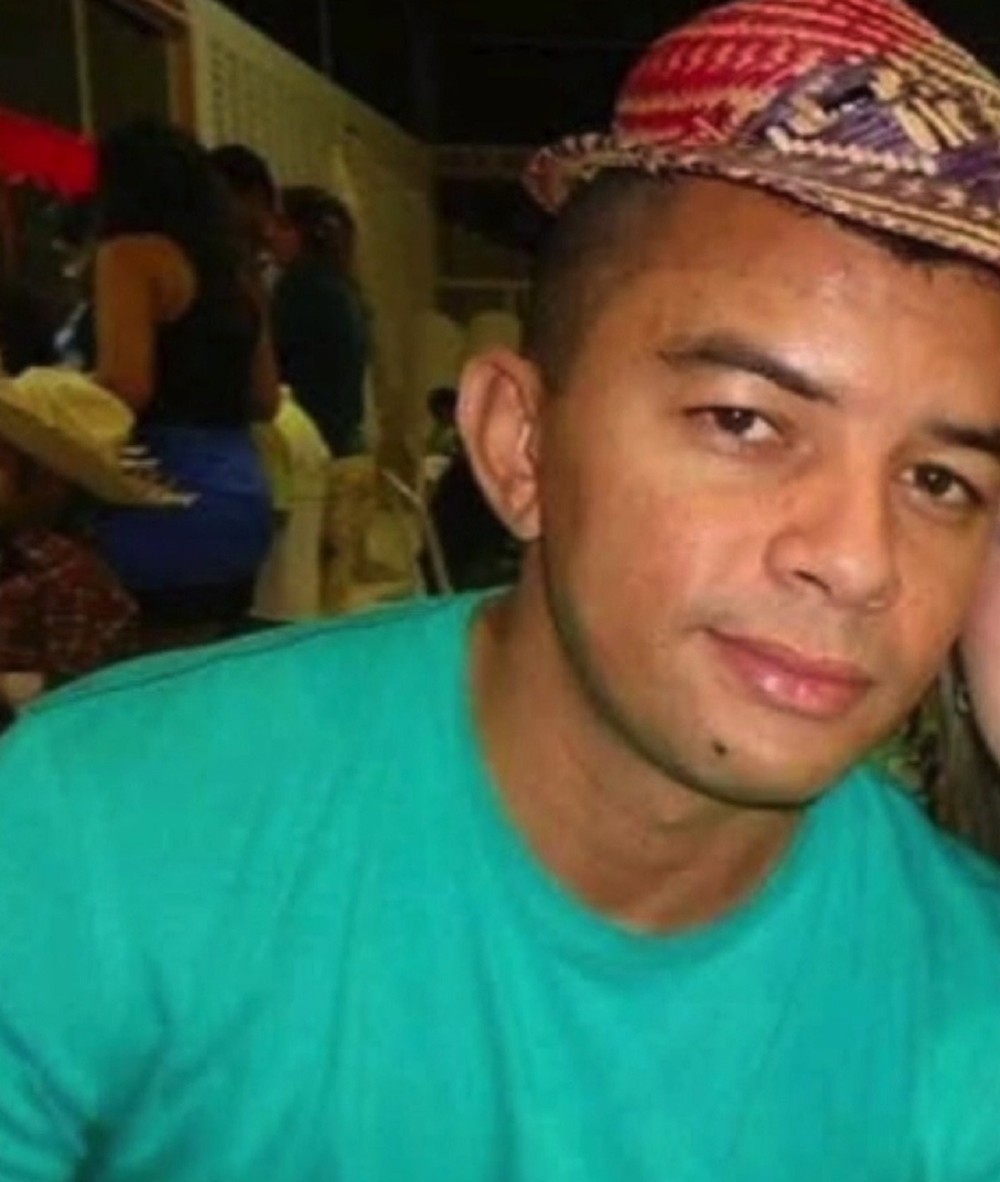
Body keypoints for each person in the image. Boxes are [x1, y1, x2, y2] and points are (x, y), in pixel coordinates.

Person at [4, 0, 1000, 1175]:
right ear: (517, 444)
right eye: (742, 421)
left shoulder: (964, 1005)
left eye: (938, 481)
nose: (857, 557)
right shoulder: (103, 831)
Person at [89, 119, 280, 635]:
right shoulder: (237, 272)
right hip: (244, 497)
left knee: (149, 664)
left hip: (162, 497)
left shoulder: (129, 256)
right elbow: (266, 400)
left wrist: (49, 398)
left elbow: (128, 386)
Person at [271, 185, 371, 455]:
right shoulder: (342, 286)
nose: (270, 235)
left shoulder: (302, 287)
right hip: (342, 438)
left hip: (310, 436)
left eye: (282, 226)